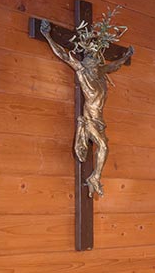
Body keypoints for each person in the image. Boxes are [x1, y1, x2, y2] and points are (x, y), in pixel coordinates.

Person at [39, 18, 133, 198]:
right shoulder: (84, 73)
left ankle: (95, 177)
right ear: (87, 63)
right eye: (93, 61)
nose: (96, 63)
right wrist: (47, 35)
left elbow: (115, 65)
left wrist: (126, 56)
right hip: (89, 119)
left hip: (100, 121)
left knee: (105, 146)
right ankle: (95, 177)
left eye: (97, 61)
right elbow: (64, 55)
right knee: (104, 146)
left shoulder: (100, 74)